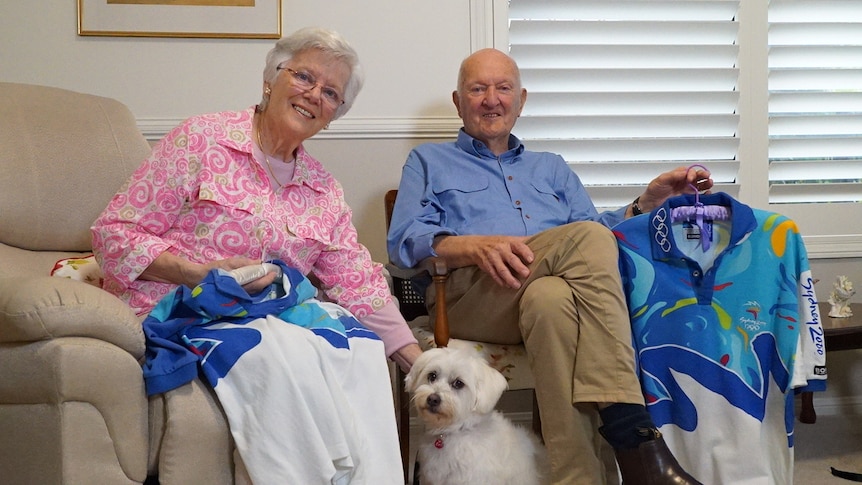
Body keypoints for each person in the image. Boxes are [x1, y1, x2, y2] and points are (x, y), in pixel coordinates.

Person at [92, 27, 421, 483]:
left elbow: (357, 280)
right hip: (188, 308)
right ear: (271, 79)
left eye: (330, 93)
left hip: (274, 314)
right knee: (272, 350)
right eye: (304, 77)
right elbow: (114, 234)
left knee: (362, 348)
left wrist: (418, 361)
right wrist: (197, 272)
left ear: (334, 115)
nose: (313, 96)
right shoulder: (201, 140)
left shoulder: (322, 188)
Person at [387, 48, 709, 485]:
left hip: (545, 297)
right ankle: (630, 425)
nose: (491, 99)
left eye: (503, 88)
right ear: (457, 100)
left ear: (521, 100)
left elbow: (595, 234)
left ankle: (577, 478)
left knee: (552, 297)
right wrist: (472, 246)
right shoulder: (428, 161)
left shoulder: (551, 168)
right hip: (474, 297)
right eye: (477, 88)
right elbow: (403, 242)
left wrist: (643, 204)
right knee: (584, 246)